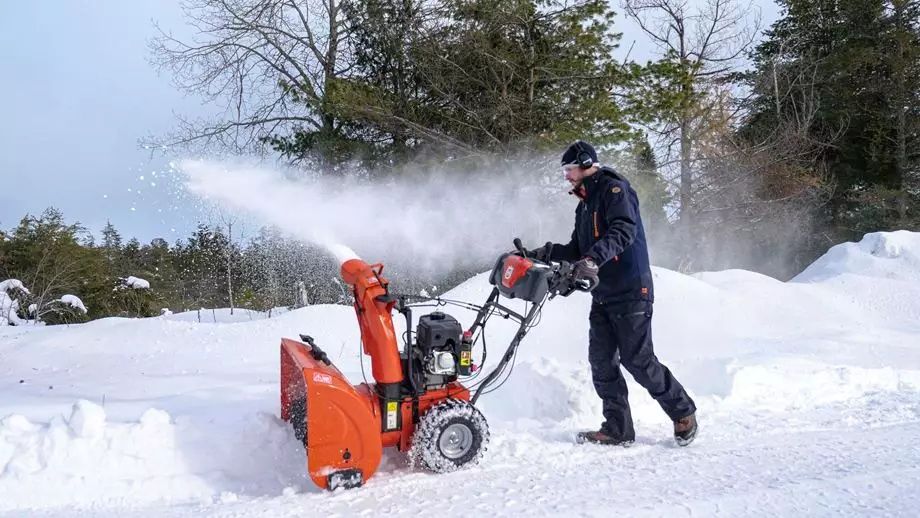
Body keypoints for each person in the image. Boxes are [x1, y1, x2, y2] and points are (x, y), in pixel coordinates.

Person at [528, 141, 698, 446]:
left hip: (632, 288)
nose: (567, 177)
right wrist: (543, 253)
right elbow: (578, 249)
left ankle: (682, 411)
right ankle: (618, 428)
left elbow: (622, 230)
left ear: (585, 164)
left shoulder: (614, 191)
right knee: (602, 361)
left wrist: (591, 261)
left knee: (638, 360)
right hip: (603, 293)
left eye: (570, 170)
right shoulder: (585, 206)